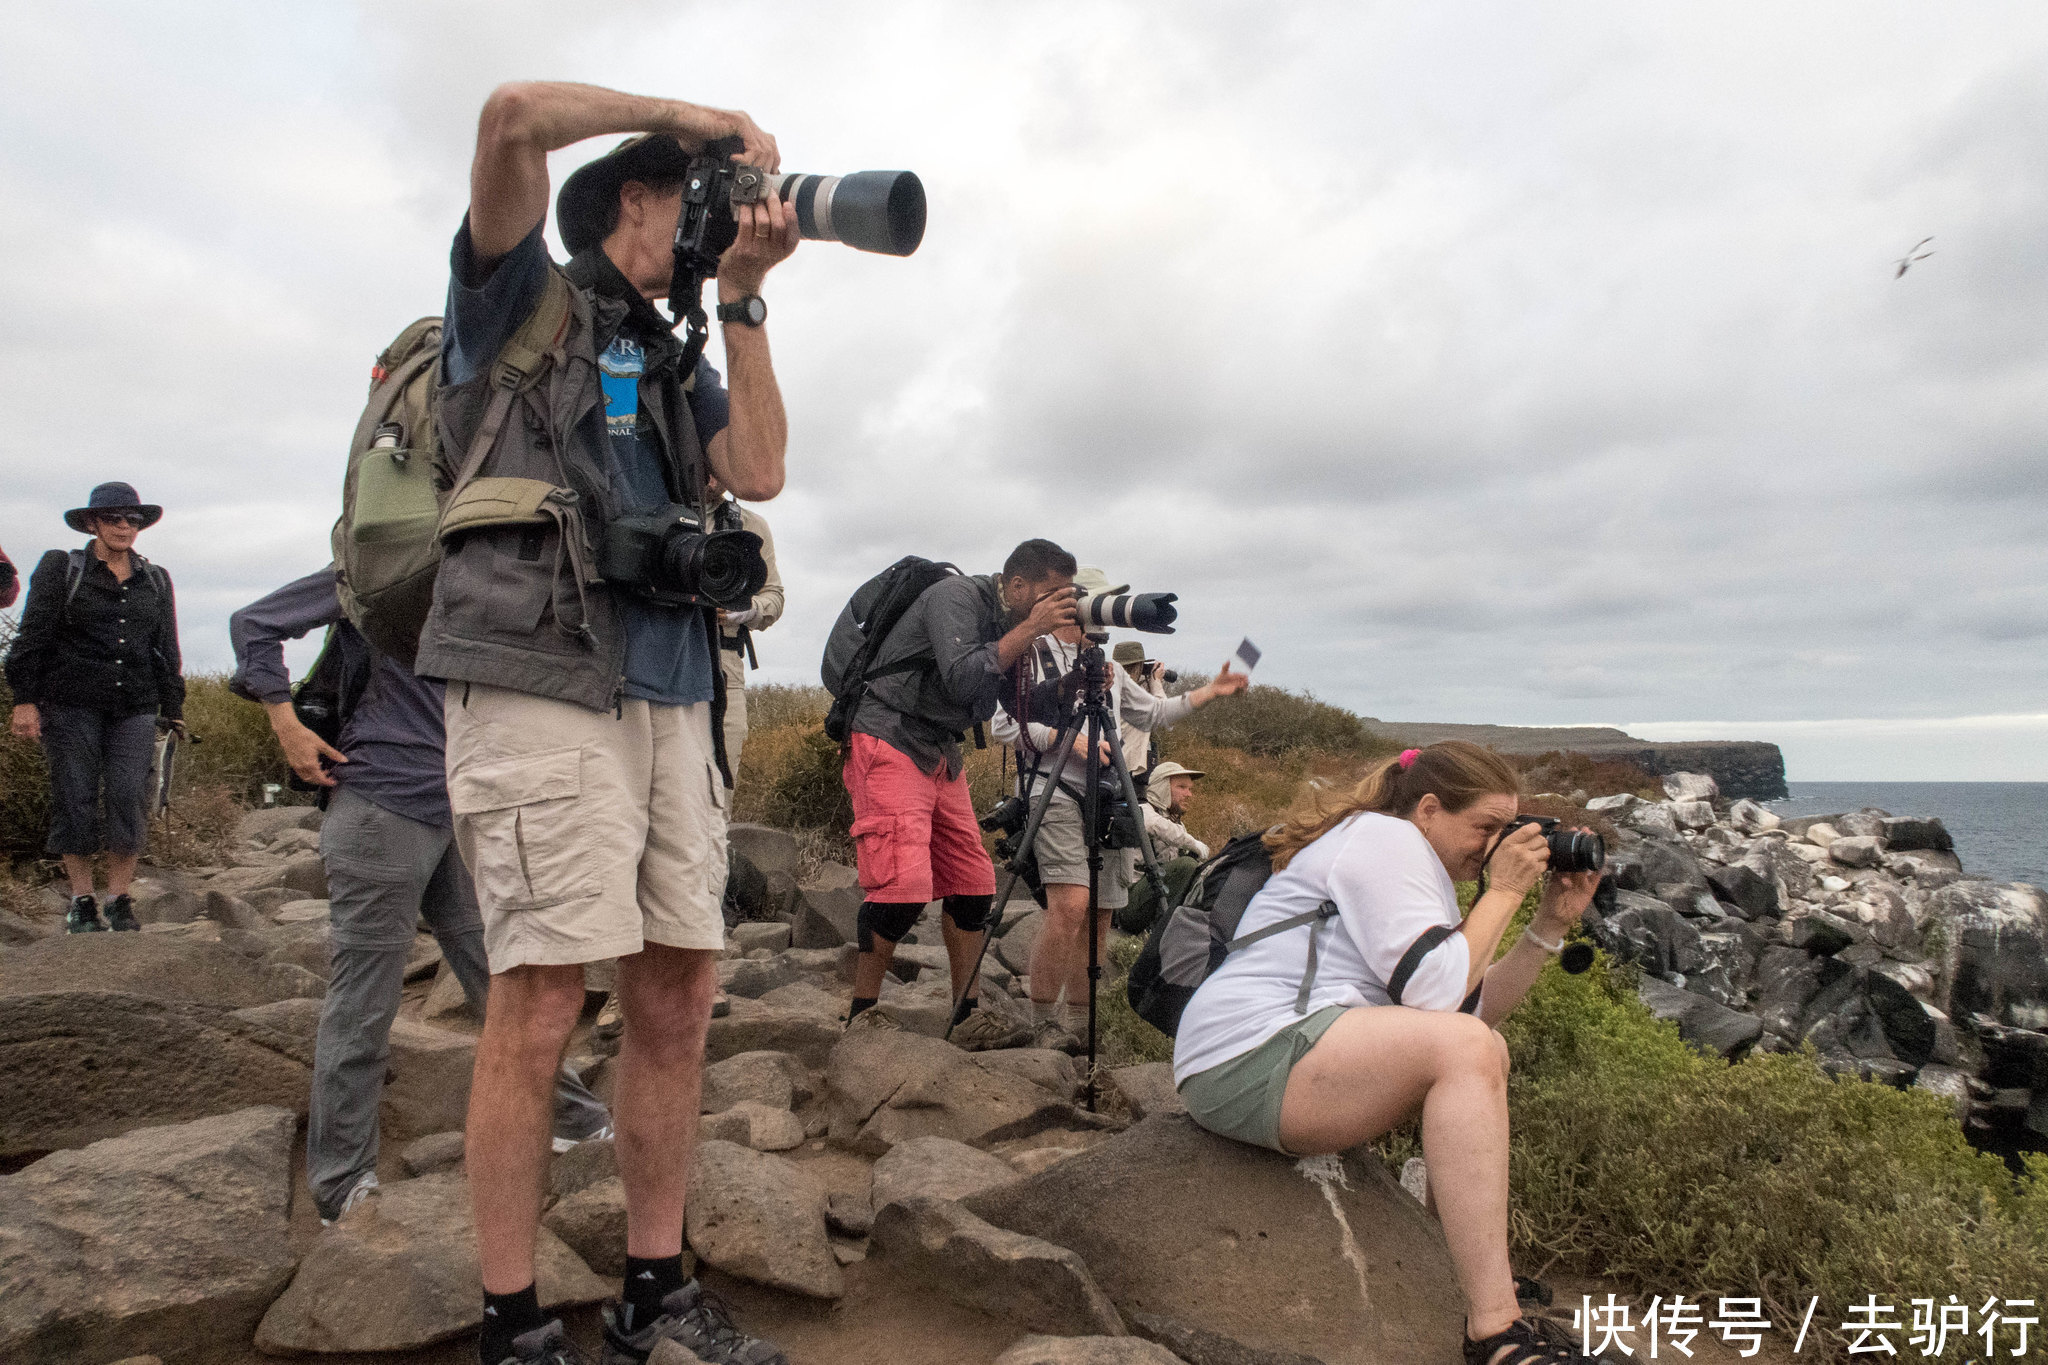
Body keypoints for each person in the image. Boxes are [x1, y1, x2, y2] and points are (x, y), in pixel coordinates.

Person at [415, 82, 799, 1365]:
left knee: (679, 992)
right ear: (633, 196)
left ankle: (653, 1288)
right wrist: (701, 121)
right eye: (689, 192)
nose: (711, 210)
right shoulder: (516, 299)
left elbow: (755, 471)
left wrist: (742, 301)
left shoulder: (674, 346)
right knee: (536, 1003)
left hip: (673, 690)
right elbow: (511, 112)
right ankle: (512, 1322)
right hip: (542, 677)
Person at [1172, 742, 1604, 1365]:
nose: (1491, 846)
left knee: (1487, 1048)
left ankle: (1461, 1280)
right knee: (1468, 1049)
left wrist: (1550, 924)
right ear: (1428, 809)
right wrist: (1503, 892)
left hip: (1274, 1053)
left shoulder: (1414, 865)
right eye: (1484, 827)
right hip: (1249, 1052)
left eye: (1503, 830)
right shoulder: (1383, 838)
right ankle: (1496, 1334)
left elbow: (1470, 1013)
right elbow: (1436, 996)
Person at [230, 568, 613, 1227]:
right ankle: (342, 1186)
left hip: (458, 811)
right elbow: (253, 624)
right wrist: (286, 724)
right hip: (381, 802)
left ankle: (576, 1119)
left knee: (507, 976)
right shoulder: (391, 563)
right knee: (364, 1003)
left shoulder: (499, 568)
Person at [838, 538, 1082, 1049]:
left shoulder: (1006, 623)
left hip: (939, 749)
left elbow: (1012, 706)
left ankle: (966, 1015)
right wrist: (1032, 630)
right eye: (1052, 593)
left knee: (973, 883)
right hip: (888, 733)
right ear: (1017, 586)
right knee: (902, 888)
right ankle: (862, 1014)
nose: (1061, 604)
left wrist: (1069, 689)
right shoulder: (956, 598)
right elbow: (965, 674)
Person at [990, 573, 1249, 1050]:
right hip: (1054, 790)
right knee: (1070, 906)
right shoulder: (1034, 654)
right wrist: (1070, 744)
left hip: (1108, 797)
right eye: (1101, 603)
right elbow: (1004, 723)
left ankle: (1076, 1027)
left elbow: (1153, 714)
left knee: (1103, 913)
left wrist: (1209, 692)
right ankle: (1039, 1022)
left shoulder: (1106, 665)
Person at [5, 482, 183, 934]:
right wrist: (24, 700)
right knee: (75, 796)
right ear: (93, 523)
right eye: (114, 518)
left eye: (133, 519)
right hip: (70, 703)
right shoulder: (62, 567)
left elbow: (166, 648)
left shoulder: (155, 577)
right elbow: (32, 636)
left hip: (135, 704)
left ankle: (119, 899)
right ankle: (82, 901)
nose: (125, 526)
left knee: (128, 797)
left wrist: (174, 708)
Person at [710, 479, 784, 771]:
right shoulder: (659, 514)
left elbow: (774, 597)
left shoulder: (751, 526)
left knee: (722, 777)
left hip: (725, 663)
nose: (713, 478)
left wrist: (743, 609)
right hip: (659, 660)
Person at [1113, 759, 1210, 935]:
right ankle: (1161, 934)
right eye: (1181, 787)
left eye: (1190, 789)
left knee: (1196, 871)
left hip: (1151, 896)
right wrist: (1193, 844)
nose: (1189, 794)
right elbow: (1155, 825)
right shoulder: (1141, 808)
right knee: (1186, 865)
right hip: (1128, 901)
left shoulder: (1175, 822)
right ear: (1162, 787)